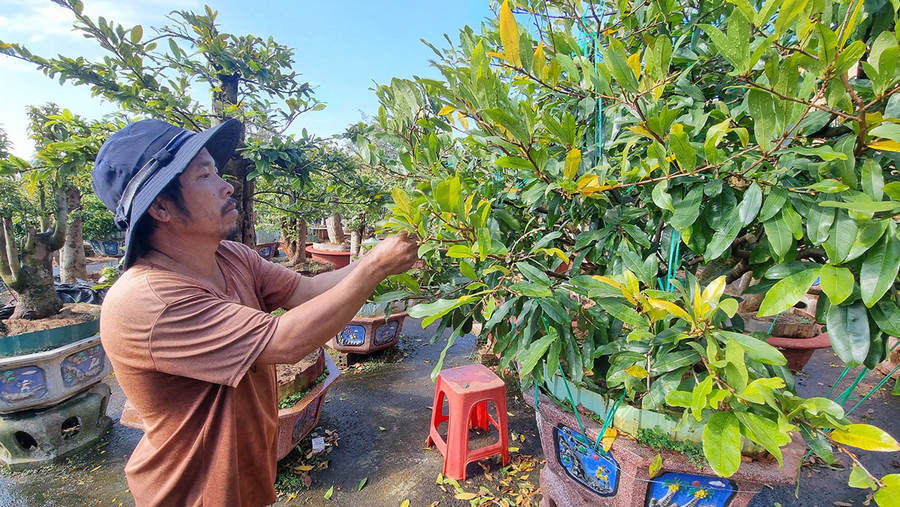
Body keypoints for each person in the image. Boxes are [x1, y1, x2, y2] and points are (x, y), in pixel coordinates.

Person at [91, 118, 418, 506]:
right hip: (190, 495)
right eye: (204, 175)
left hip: (247, 482)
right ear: (161, 206)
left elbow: (307, 291)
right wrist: (375, 266)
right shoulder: (149, 300)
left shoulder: (230, 256)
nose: (226, 184)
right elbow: (286, 341)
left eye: (217, 170)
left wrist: (385, 254)